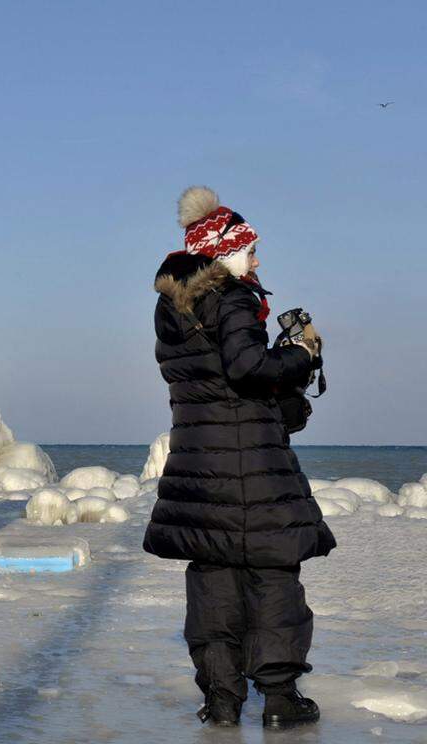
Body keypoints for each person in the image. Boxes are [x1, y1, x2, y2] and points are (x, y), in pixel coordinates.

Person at [143, 186, 336, 730]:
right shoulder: (232, 299)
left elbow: (221, 378)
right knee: (272, 574)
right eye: (249, 250)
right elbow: (248, 368)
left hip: (200, 469)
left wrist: (284, 371)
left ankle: (222, 700)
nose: (257, 259)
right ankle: (278, 699)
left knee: (213, 579)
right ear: (224, 253)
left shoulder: (176, 308)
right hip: (250, 466)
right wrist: (301, 353)